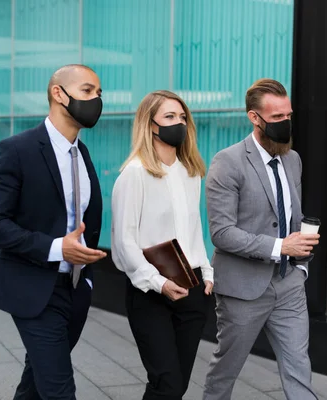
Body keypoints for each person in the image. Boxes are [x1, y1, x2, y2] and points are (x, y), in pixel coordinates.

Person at [0, 64, 107, 400]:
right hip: (34, 288)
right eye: (87, 91)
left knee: (35, 382)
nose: (96, 100)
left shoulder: (83, 153)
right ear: (58, 93)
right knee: (59, 389)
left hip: (76, 289)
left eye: (99, 93)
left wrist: (87, 278)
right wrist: (55, 248)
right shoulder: (16, 149)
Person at [202, 78, 320, 400]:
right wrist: (281, 247)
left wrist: (301, 266)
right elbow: (222, 233)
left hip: (289, 285)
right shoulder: (227, 162)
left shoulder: (292, 160)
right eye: (278, 117)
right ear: (255, 118)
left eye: (289, 115)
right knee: (225, 373)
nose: (287, 123)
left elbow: (291, 217)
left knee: (299, 371)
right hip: (243, 290)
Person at [111, 90, 214, 400]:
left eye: (182, 117)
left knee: (177, 386)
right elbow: (123, 243)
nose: (179, 123)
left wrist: (207, 272)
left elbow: (193, 231)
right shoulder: (134, 174)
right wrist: (158, 282)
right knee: (166, 382)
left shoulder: (191, 173)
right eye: (170, 117)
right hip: (150, 293)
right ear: (150, 124)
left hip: (193, 289)